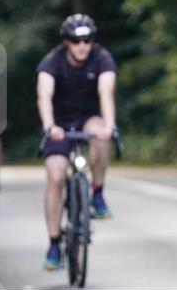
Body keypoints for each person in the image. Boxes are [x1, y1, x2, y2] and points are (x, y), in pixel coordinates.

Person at [36, 14, 117, 270]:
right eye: (75, 40)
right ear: (66, 42)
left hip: (88, 118)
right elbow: (44, 95)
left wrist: (109, 125)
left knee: (100, 135)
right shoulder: (52, 61)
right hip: (60, 123)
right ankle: (53, 243)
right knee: (56, 177)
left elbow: (106, 92)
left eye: (87, 39)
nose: (82, 45)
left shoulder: (101, 58)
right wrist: (49, 126)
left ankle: (97, 192)